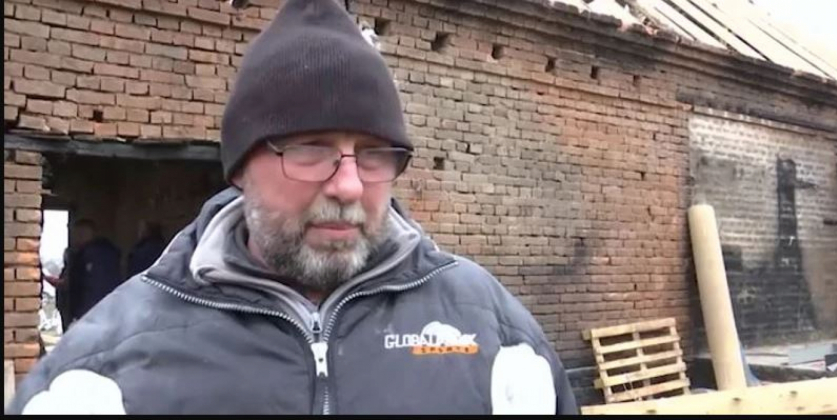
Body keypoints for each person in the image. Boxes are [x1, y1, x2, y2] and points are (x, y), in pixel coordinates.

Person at [6, 0, 578, 415]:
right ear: (240, 170)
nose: (348, 185)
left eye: (374, 154)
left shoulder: (495, 334)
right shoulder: (102, 372)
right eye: (310, 149)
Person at [65, 219, 123, 323]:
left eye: (77, 233)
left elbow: (94, 286)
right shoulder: (92, 253)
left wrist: (82, 314)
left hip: (92, 313)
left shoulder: (93, 255)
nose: (75, 238)